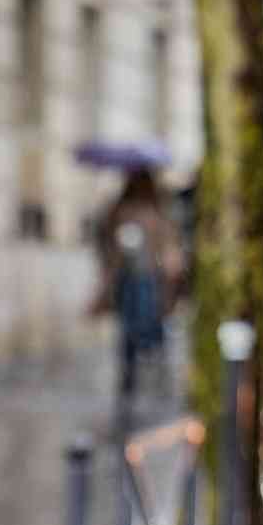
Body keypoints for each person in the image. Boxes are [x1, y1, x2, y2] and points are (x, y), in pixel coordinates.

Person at [92, 168, 183, 400]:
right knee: (137, 326)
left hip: (143, 277)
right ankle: (142, 373)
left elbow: (167, 245)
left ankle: (138, 374)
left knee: (139, 326)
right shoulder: (132, 211)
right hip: (135, 277)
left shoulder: (149, 211)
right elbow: (105, 240)